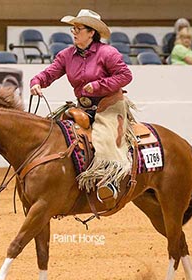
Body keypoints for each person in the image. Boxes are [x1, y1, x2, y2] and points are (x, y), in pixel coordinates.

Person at [30, 9, 135, 204]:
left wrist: (98, 86)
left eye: (78, 28)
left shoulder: (108, 53)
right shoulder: (66, 55)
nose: (74, 32)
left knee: (103, 136)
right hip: (84, 107)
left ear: (91, 32)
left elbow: (125, 76)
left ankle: (110, 179)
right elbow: (50, 73)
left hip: (110, 104)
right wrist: (36, 82)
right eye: (73, 29)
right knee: (54, 128)